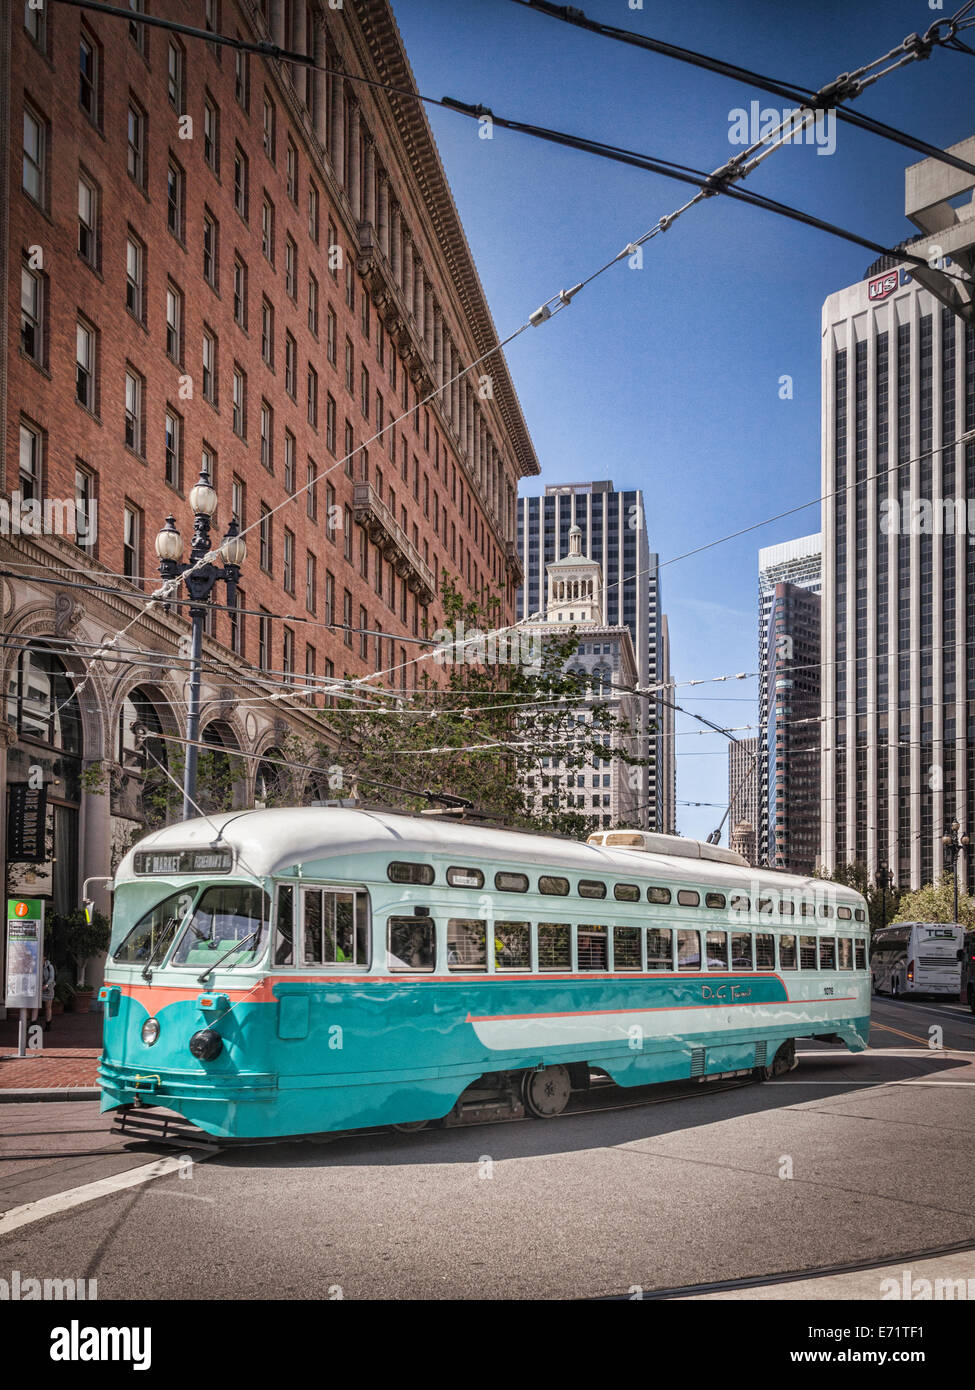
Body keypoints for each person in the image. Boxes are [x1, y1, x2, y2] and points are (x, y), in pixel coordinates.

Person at [40, 956, 55, 1029]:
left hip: (48, 989)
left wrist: (46, 985)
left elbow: (52, 978)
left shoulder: (50, 966)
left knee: (48, 1007)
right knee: (35, 1007)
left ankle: (48, 1025)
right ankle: (33, 1024)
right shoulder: (36, 965)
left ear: (44, 958)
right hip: (39, 989)